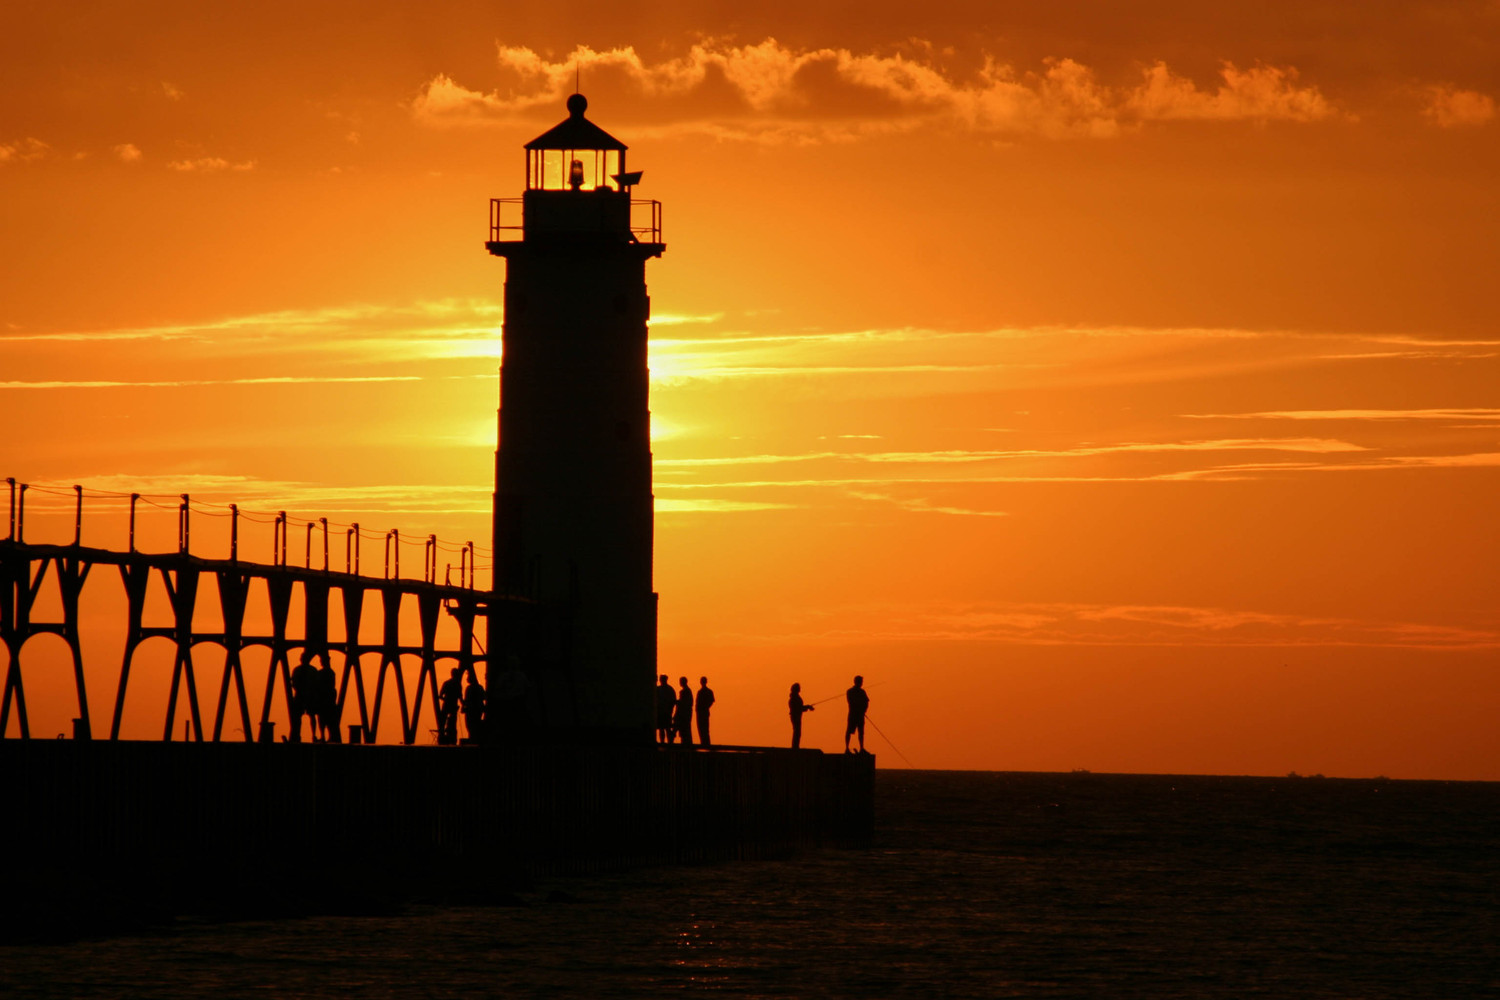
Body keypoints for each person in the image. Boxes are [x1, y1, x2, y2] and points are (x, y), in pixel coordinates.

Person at [290, 650, 319, 743]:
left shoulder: (298, 670)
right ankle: (310, 735)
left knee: (302, 716)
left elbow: (293, 682)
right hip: (307, 695)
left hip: (304, 695)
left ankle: (299, 735)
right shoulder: (312, 670)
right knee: (308, 716)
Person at [316, 654, 339, 743]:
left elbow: (318, 685)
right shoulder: (331, 672)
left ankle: (324, 736)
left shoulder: (322, 673)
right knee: (328, 719)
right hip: (329, 699)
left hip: (324, 698)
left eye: (322, 661)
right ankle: (328, 737)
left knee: (323, 719)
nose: (321, 663)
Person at [438, 667, 464, 745]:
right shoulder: (458, 684)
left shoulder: (446, 683)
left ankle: (442, 737)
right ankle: (452, 738)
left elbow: (440, 695)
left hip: (446, 704)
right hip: (453, 705)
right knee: (453, 722)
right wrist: (463, 705)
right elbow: (460, 697)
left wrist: (445, 699)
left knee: (443, 721)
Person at [845, 675, 869, 754]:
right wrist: (859, 708)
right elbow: (851, 702)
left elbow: (866, 701)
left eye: (861, 682)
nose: (861, 683)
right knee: (849, 731)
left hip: (860, 715)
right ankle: (847, 748)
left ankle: (862, 748)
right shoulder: (850, 691)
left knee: (861, 732)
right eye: (860, 682)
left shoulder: (862, 692)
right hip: (853, 714)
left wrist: (864, 710)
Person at [462, 671, 486, 743]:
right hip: (478, 709)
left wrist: (464, 705)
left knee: (470, 724)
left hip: (471, 710)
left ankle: (473, 737)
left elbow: (467, 700)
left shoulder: (469, 688)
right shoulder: (479, 687)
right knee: (474, 724)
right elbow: (484, 697)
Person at [789, 682, 814, 749]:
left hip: (796, 716)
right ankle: (795, 747)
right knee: (797, 731)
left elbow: (799, 708)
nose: (800, 689)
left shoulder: (794, 697)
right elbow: (798, 708)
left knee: (797, 731)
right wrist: (807, 707)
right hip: (795, 716)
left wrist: (807, 707)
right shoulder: (794, 698)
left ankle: (795, 746)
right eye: (798, 688)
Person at [656, 674, 676, 744]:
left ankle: (668, 743)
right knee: (662, 728)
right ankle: (663, 742)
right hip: (662, 712)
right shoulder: (659, 689)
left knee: (666, 728)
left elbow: (673, 702)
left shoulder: (668, 690)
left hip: (666, 712)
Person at [674, 676, 694, 747]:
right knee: (686, 730)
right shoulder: (688, 691)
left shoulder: (685, 691)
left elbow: (683, 703)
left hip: (684, 714)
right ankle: (686, 743)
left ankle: (686, 744)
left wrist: (676, 702)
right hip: (687, 713)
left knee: (684, 730)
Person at [695, 676, 715, 747]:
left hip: (703, 712)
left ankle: (706, 743)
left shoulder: (707, 691)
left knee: (704, 728)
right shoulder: (701, 691)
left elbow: (712, 700)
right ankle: (703, 743)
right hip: (700, 712)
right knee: (701, 728)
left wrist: (705, 706)